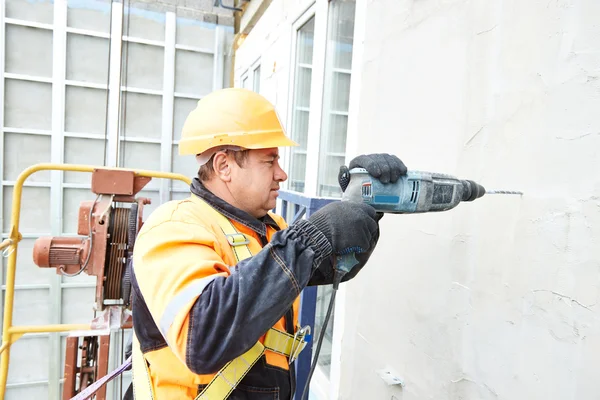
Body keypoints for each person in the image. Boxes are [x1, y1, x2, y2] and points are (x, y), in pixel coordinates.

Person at [128, 88, 407, 399]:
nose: (282, 174)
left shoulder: (268, 230)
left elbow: (338, 266)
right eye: (269, 161)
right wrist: (310, 240)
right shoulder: (173, 227)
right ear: (224, 166)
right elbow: (203, 337)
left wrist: (361, 206)